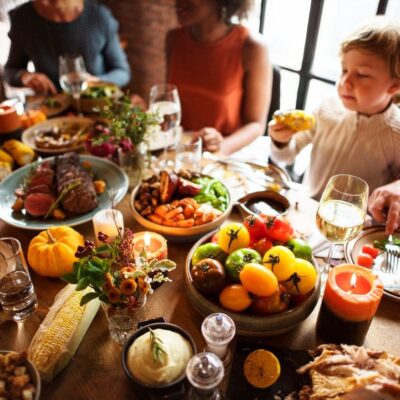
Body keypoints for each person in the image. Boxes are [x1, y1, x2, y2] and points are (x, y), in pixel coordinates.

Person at [268, 16, 400, 200]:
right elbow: (284, 157)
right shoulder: (326, 109)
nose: (345, 82)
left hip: (355, 224)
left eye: (361, 74)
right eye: (344, 70)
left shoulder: (396, 134)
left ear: (394, 86)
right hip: (306, 207)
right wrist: (279, 140)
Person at [166, 0, 272, 155]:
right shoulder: (174, 38)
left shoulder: (252, 47)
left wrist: (221, 147)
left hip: (226, 156)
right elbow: (171, 101)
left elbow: (256, 124)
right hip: (183, 151)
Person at [4, 0, 131, 94]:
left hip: (96, 106)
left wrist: (96, 82)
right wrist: (25, 77)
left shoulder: (99, 16)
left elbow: (122, 72)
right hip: (52, 113)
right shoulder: (22, 18)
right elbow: (10, 71)